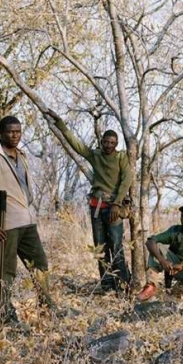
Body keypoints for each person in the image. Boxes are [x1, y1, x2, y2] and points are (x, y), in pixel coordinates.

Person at [0, 115, 56, 325]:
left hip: (27, 221)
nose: (15, 135)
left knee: (40, 265)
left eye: (18, 131)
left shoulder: (22, 155)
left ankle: (47, 307)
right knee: (5, 273)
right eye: (10, 131)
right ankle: (4, 317)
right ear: (1, 133)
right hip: (6, 224)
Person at [47, 111, 133, 292]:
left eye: (112, 143)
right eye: (106, 142)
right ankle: (107, 285)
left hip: (113, 207)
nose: (108, 145)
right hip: (96, 206)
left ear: (116, 144)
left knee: (116, 246)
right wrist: (60, 124)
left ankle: (123, 285)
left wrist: (117, 204)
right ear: (101, 142)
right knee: (100, 248)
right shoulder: (95, 155)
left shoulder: (121, 158)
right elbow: (77, 145)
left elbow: (126, 181)